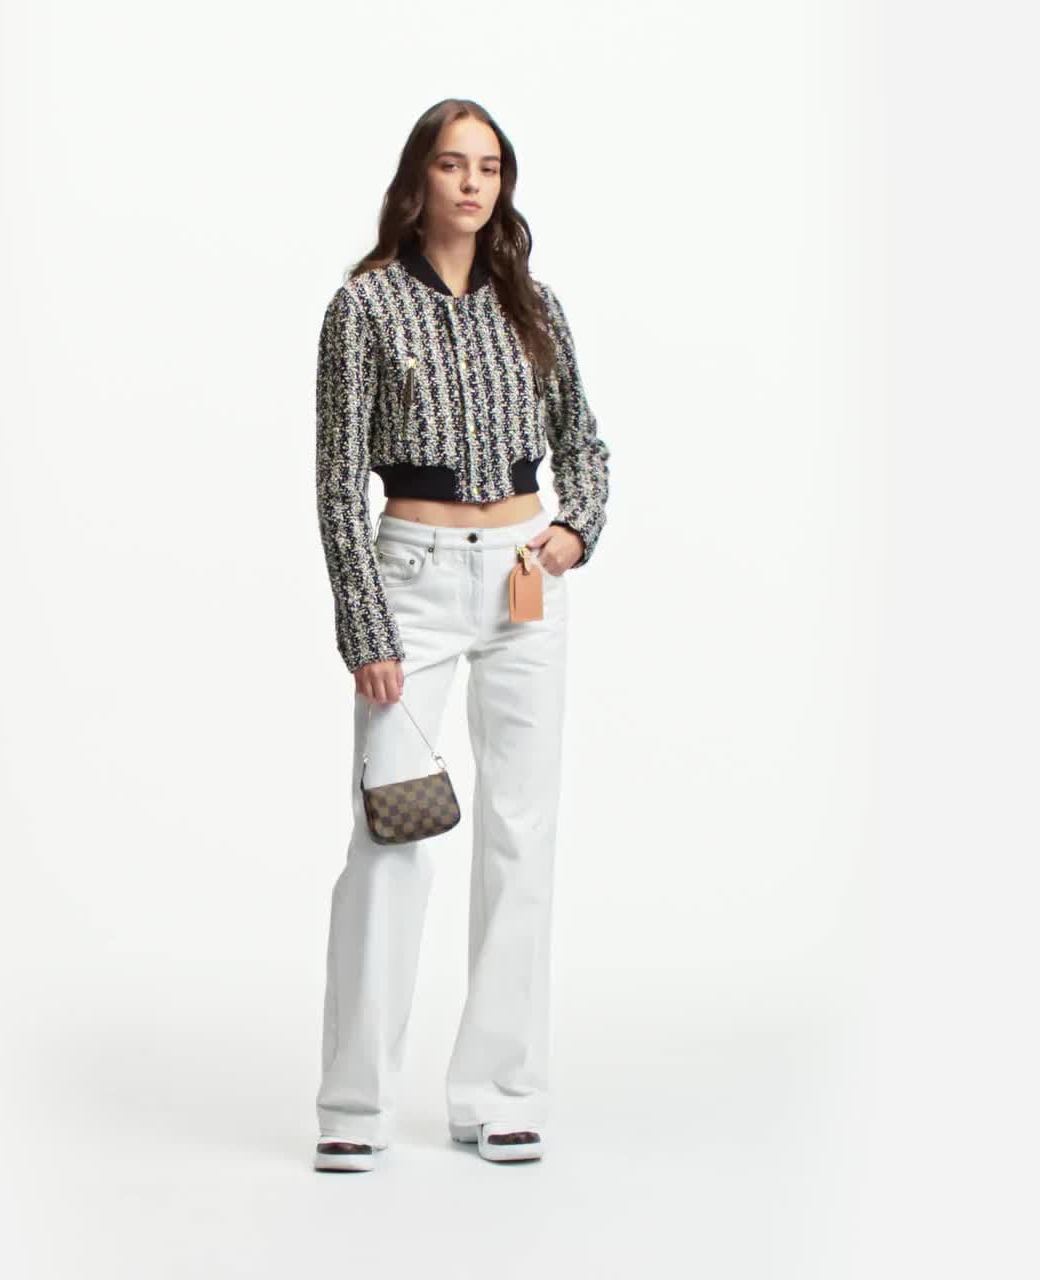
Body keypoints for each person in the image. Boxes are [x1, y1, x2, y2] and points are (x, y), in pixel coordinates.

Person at [312, 98, 611, 1172]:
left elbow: (583, 442)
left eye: (488, 166)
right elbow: (337, 481)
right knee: (391, 834)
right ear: (418, 179)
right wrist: (365, 622)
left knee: (521, 832)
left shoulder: (534, 305)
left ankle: (498, 1091)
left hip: (526, 577)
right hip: (415, 578)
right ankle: (354, 1102)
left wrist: (573, 529)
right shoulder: (364, 306)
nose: (473, 183)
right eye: (452, 164)